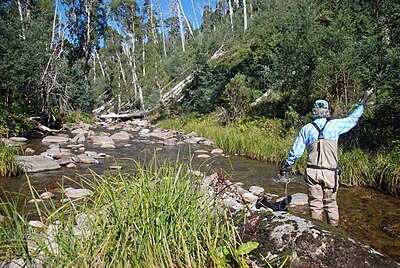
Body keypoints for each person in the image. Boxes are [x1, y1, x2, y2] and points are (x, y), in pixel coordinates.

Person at [280, 89, 374, 227]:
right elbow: (353, 119)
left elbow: (296, 152)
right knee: (330, 204)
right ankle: (334, 231)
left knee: (315, 204)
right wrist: (364, 101)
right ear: (327, 111)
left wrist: (286, 167)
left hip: (312, 172)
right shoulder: (335, 125)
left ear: (314, 111)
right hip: (330, 172)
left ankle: (318, 231)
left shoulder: (306, 129)